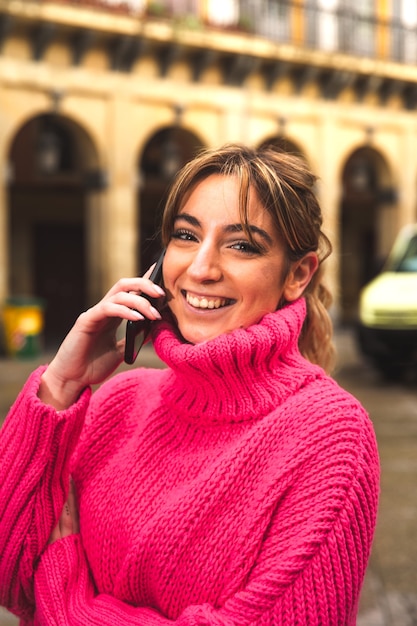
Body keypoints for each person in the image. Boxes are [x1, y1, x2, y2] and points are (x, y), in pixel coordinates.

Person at [0, 144, 379, 625]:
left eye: (242, 245)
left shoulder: (331, 435)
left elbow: (40, 585)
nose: (201, 268)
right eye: (185, 235)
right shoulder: (118, 401)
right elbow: (10, 575)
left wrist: (68, 596)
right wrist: (60, 384)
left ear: (298, 275)